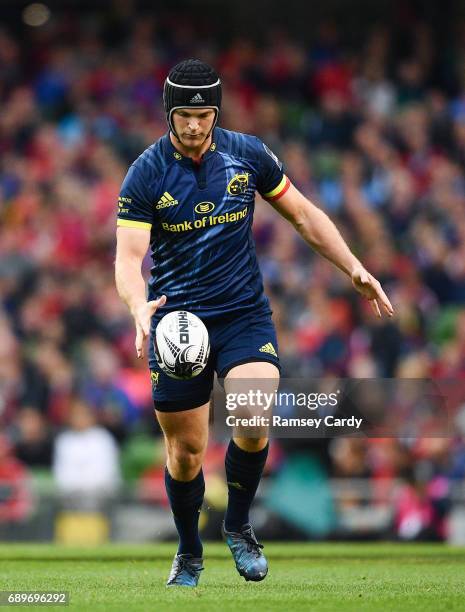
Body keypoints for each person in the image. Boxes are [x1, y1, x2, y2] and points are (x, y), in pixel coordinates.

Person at [115, 59, 394, 587]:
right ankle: (189, 549)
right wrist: (136, 306)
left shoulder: (248, 154)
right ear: (168, 115)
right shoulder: (147, 172)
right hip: (177, 323)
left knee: (252, 413)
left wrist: (353, 266)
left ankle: (238, 526)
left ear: (215, 111)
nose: (194, 125)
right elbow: (128, 258)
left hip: (242, 312)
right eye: (184, 116)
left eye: (203, 114)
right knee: (186, 452)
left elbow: (304, 215)